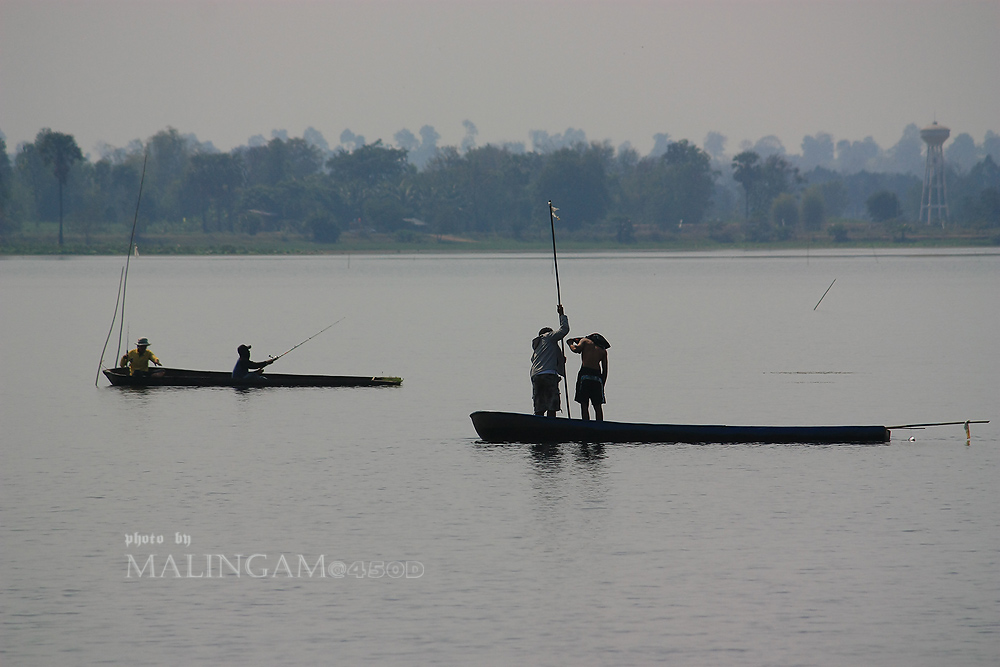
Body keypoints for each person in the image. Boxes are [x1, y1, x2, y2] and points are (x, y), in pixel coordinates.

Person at [530, 305, 569, 417]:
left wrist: (561, 361)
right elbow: (564, 330)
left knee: (539, 406)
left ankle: (538, 426)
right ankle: (551, 426)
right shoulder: (548, 337)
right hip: (548, 376)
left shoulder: (538, 348)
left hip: (536, 377)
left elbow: (556, 360)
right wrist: (562, 314)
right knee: (552, 405)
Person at [568, 333, 610, 421]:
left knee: (584, 404)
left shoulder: (585, 341)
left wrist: (570, 344)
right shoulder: (603, 350)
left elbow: (576, 349)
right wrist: (602, 384)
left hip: (585, 374)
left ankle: (586, 424)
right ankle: (600, 426)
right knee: (597, 406)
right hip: (597, 377)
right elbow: (605, 370)